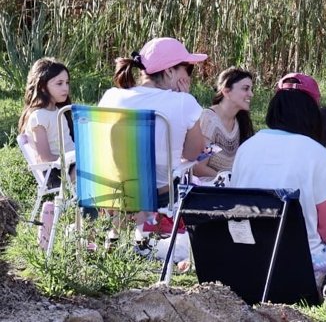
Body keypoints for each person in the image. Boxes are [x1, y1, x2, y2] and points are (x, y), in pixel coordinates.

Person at [231, 73, 326, 257]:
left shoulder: (246, 148)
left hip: (248, 256)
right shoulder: (318, 154)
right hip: (302, 262)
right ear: (313, 112)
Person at [98, 37, 207, 206]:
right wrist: (184, 97)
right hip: (158, 197)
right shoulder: (184, 102)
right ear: (170, 71)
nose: (189, 76)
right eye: (188, 69)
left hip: (108, 192)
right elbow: (192, 154)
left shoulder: (111, 96)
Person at [18, 58, 75, 187]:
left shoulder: (59, 111)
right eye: (59, 83)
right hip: (57, 172)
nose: (65, 88)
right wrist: (79, 158)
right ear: (42, 87)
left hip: (72, 164)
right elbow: (45, 158)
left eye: (67, 82)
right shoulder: (39, 117)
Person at [193, 67, 255, 178]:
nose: (251, 94)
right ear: (226, 91)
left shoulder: (239, 120)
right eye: (245, 89)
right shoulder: (210, 120)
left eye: (251, 89)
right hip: (210, 188)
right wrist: (230, 181)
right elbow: (198, 167)